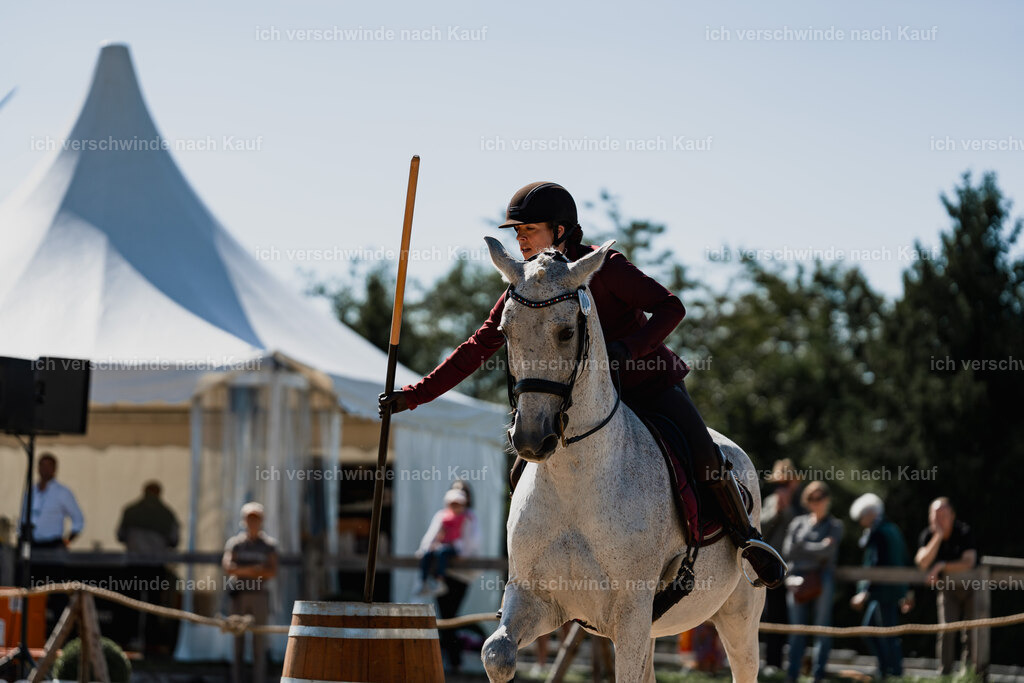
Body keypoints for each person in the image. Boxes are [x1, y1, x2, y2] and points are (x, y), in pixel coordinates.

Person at [379, 181, 786, 588]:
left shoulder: (603, 266)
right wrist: (413, 397)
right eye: (517, 234)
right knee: (524, 467)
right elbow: (476, 347)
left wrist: (627, 349)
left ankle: (747, 541)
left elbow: (670, 307)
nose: (520, 241)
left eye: (528, 231)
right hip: (580, 403)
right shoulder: (523, 286)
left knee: (704, 456)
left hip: (647, 385)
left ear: (560, 231)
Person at [417, 480, 483, 674]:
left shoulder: (470, 518)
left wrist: (454, 550)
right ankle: (449, 661)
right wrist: (432, 549)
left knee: (450, 617)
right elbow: (428, 541)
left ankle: (453, 661)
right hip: (442, 574)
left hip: (460, 576)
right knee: (445, 618)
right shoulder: (442, 516)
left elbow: (471, 547)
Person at [781, 481, 842, 683]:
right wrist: (817, 549)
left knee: (821, 628)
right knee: (797, 630)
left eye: (820, 498)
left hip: (822, 578)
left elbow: (828, 551)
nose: (817, 502)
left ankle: (818, 675)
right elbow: (788, 551)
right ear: (807, 501)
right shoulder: (798, 522)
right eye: (812, 498)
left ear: (828, 499)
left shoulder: (835, 526)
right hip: (796, 579)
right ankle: (792, 675)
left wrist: (803, 547)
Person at [914, 497, 979, 675]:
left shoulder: (964, 532)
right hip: (948, 589)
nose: (939, 520)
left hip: (972, 588)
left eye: (943, 515)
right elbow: (922, 562)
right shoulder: (928, 535)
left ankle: (970, 674)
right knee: (946, 630)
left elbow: (969, 561)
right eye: (935, 516)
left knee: (972, 633)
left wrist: (941, 566)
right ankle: (945, 674)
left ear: (952, 515)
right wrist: (938, 536)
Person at [849, 493, 910, 679]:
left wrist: (864, 593)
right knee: (872, 629)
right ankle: (885, 670)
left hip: (882, 592)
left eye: (862, 516)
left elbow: (876, 565)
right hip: (892, 590)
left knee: (886, 633)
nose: (860, 521)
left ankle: (894, 673)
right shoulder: (893, 529)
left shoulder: (878, 533)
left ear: (870, 514)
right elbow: (904, 559)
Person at [222, 502, 278, 683]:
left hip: (259, 597)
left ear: (261, 521)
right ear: (244, 520)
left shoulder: (268, 545)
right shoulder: (235, 544)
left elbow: (271, 572)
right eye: (249, 518)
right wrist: (254, 570)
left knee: (258, 644)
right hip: (239, 596)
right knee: (237, 642)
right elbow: (229, 567)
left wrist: (243, 569)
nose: (252, 522)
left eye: (256, 518)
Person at [760, 458, 802, 674]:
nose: (782, 488)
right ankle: (772, 663)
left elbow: (801, 530)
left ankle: (795, 664)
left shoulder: (804, 502)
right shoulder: (769, 501)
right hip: (774, 568)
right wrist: (776, 510)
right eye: (779, 484)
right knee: (772, 616)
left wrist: (786, 511)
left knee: (796, 617)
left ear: (794, 483)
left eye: (785, 483)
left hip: (797, 569)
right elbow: (760, 530)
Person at [19, 452, 84, 549]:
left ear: (54, 469)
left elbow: (78, 520)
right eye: (42, 466)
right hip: (30, 543)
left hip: (52, 544)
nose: (45, 470)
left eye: (48, 466)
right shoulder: (31, 491)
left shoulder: (62, 492)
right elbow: (23, 515)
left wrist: (67, 541)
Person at [416, 489, 470, 596]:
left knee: (441, 552)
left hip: (454, 548)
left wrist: (464, 553)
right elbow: (434, 534)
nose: (455, 507)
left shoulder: (466, 518)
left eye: (457, 504)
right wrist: (426, 547)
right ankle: (423, 581)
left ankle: (440, 580)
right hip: (443, 546)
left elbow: (469, 539)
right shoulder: (443, 517)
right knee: (428, 553)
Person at [117, 481, 180, 553]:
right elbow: (174, 539)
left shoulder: (129, 511)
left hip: (133, 559)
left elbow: (120, 535)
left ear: (144, 492)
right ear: (159, 493)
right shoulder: (168, 514)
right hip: (157, 560)